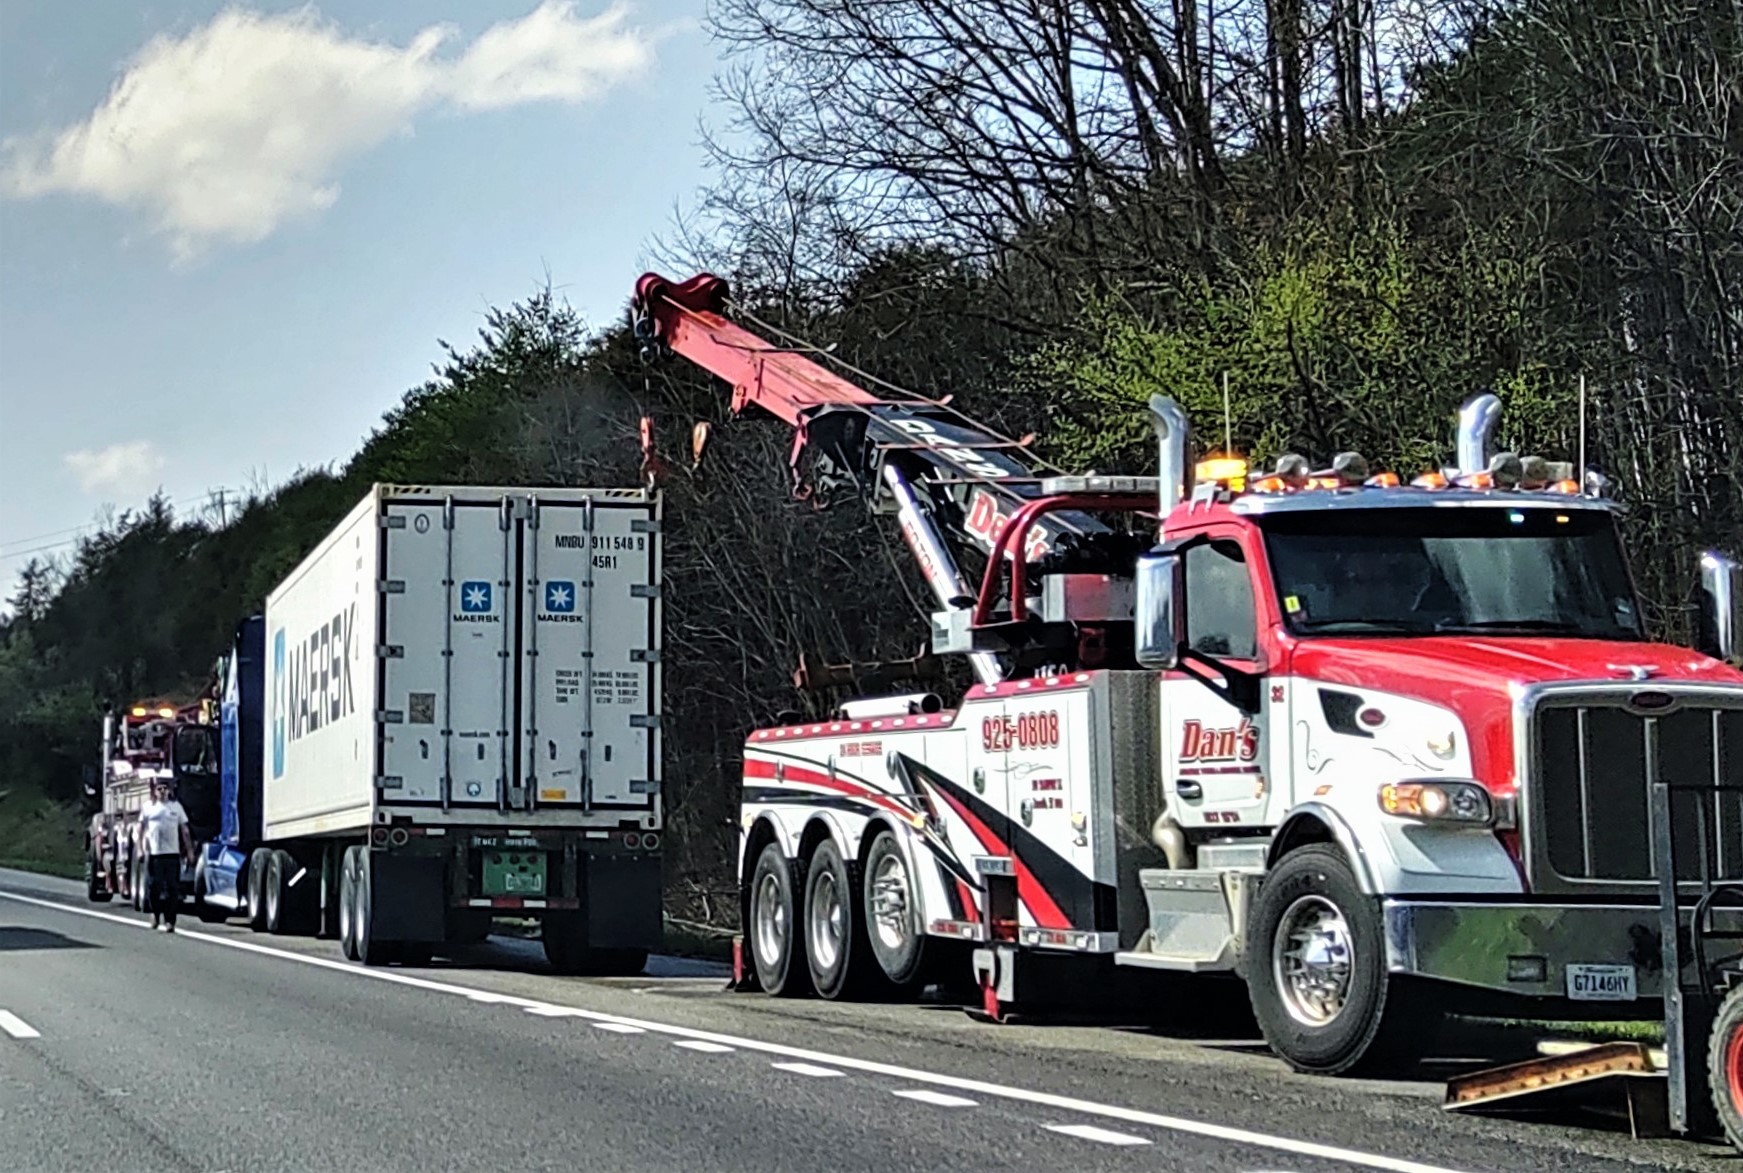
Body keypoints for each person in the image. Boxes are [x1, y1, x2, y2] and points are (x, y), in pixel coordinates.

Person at [138, 780, 194, 932]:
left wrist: (189, 851)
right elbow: (140, 829)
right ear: (155, 791)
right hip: (154, 854)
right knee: (153, 887)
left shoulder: (176, 807)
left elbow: (185, 830)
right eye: (159, 789)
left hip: (172, 854)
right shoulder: (148, 807)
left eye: (165, 788)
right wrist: (140, 848)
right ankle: (155, 914)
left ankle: (170, 920)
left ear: (169, 791)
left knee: (172, 888)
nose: (162, 791)